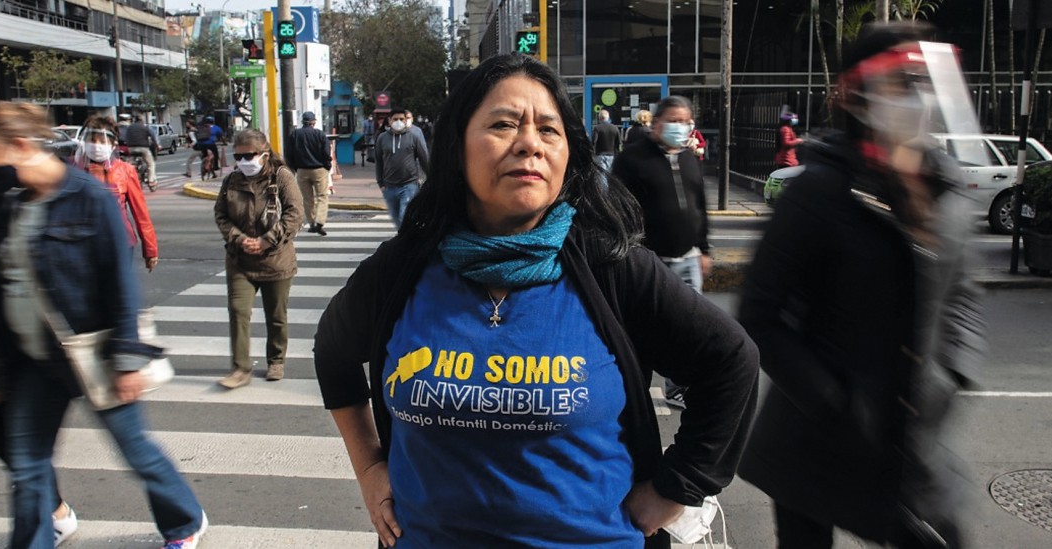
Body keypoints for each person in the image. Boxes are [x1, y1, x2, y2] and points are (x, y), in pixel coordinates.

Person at [313, 53, 759, 549]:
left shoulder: (611, 266)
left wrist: (675, 489)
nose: (529, 143)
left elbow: (730, 362)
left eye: (549, 131)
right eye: (504, 124)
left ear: (568, 153)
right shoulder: (403, 268)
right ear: (457, 146)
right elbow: (333, 353)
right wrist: (370, 466)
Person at [737, 22, 985, 549]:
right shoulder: (819, 194)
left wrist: (954, 372)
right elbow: (760, 314)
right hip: (815, 440)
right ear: (861, 98)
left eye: (925, 81)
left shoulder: (947, 192)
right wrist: (833, 402)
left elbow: (963, 296)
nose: (918, 98)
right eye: (901, 83)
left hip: (909, 443)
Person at [0, 101, 207, 549]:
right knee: (28, 469)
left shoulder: (88, 198)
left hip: (93, 352)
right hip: (36, 359)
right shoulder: (13, 204)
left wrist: (127, 360)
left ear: (20, 146)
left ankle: (185, 521)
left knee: (136, 451)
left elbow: (120, 285)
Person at [0, 153, 78, 547]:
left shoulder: (17, 186)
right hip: (13, 349)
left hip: (22, 351)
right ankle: (53, 514)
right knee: (21, 454)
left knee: (23, 455)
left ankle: (51, 517)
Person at [612, 95, 712, 411]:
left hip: (688, 259)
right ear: (656, 124)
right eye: (674, 120)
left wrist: (705, 248)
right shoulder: (631, 159)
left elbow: (700, 206)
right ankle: (634, 391)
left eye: (686, 121)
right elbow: (618, 209)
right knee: (641, 331)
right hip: (649, 262)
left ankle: (677, 387)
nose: (681, 127)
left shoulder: (688, 159)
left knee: (687, 330)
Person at [213, 129, 304, 389]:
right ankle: (240, 368)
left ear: (264, 153)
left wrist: (266, 240)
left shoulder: (282, 177)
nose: (244, 161)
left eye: (249, 155)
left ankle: (276, 360)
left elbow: (295, 214)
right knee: (238, 312)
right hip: (240, 261)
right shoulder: (231, 181)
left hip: (276, 261)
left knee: (276, 315)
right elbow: (221, 214)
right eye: (238, 156)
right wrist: (239, 239)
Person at [76, 116, 159, 272]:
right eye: (92, 141)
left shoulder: (125, 171)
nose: (97, 146)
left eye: (102, 142)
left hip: (119, 243)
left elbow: (141, 214)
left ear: (113, 144)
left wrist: (150, 250)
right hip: (82, 246)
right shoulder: (72, 169)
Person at [374, 108, 429, 228]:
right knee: (396, 219)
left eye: (401, 119)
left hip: (409, 184)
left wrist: (431, 177)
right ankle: (406, 238)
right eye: (395, 119)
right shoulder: (382, 138)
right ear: (389, 121)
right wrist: (380, 182)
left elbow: (424, 158)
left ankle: (406, 242)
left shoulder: (414, 136)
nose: (398, 121)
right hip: (389, 186)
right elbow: (378, 161)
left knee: (403, 215)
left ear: (406, 121)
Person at [285, 111, 332, 236]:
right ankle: (319, 222)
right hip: (319, 169)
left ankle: (311, 223)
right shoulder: (320, 134)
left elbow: (289, 153)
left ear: (302, 122)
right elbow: (326, 153)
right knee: (322, 196)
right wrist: (327, 165)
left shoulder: (295, 134)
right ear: (314, 122)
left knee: (307, 198)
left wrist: (294, 168)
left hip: (301, 170)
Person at [123, 115, 160, 191]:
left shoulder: (129, 127)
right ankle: (151, 181)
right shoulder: (145, 127)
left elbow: (125, 137)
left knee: (129, 164)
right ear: (142, 120)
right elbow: (153, 136)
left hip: (131, 148)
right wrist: (157, 145)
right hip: (143, 148)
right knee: (151, 164)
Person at [592, 109, 621, 174]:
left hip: (599, 154)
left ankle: (603, 184)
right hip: (611, 155)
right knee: (610, 174)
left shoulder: (597, 128)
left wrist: (593, 153)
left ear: (599, 118)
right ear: (608, 118)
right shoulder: (615, 128)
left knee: (602, 174)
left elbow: (594, 142)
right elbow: (618, 142)